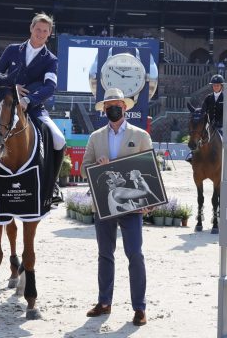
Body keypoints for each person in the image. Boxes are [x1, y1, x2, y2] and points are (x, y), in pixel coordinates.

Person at [82, 87, 153, 327]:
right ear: (104, 110)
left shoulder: (141, 135)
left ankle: (139, 307)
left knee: (135, 254)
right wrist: (98, 167)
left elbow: (150, 170)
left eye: (117, 105)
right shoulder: (95, 137)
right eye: (109, 105)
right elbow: (84, 168)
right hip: (104, 204)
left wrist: (150, 202)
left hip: (132, 206)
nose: (113, 108)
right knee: (104, 254)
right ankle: (104, 302)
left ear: (124, 107)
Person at [0, 12, 66, 203]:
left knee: (59, 140)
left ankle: (52, 185)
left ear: (49, 33)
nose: (40, 34)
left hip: (34, 108)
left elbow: (50, 87)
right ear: (31, 28)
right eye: (38, 29)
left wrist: (29, 100)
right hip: (5, 109)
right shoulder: (12, 50)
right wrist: (11, 87)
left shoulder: (51, 59)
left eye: (45, 31)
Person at [201, 74, 227, 167]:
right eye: (214, 85)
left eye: (217, 85)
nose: (215, 87)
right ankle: (194, 154)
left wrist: (219, 122)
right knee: (200, 134)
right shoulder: (208, 98)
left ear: (221, 86)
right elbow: (203, 110)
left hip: (223, 124)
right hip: (211, 124)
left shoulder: (226, 97)